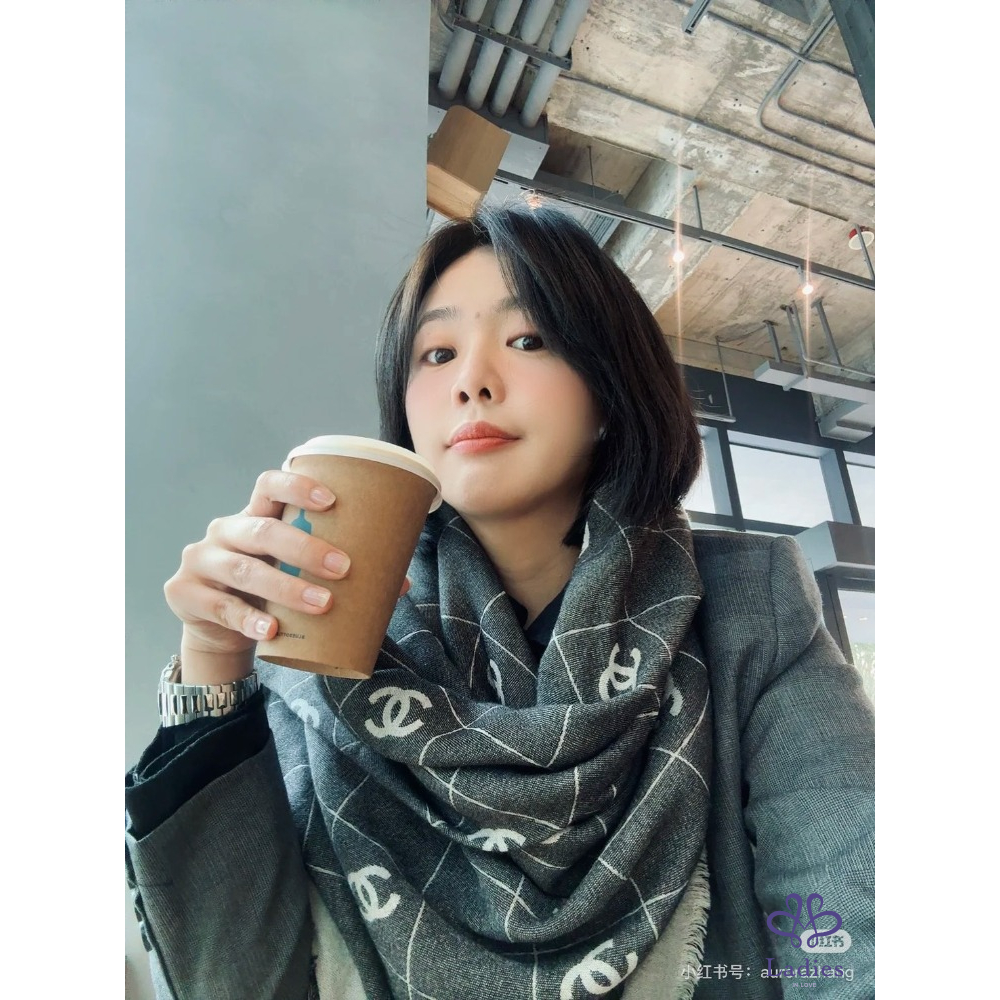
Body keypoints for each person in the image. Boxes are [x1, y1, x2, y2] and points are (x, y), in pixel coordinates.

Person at [125, 205, 875, 1000]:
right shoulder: (328, 639)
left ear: (610, 387)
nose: (471, 381)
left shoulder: (748, 603)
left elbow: (849, 922)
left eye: (528, 340)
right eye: (437, 353)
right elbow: (236, 980)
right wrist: (213, 661)